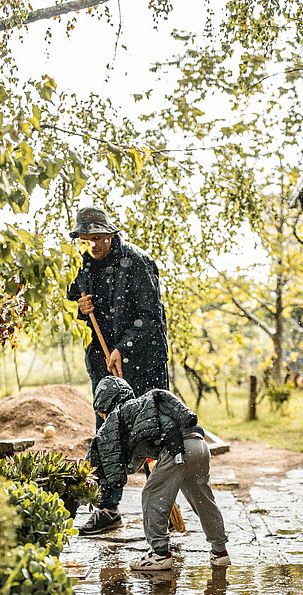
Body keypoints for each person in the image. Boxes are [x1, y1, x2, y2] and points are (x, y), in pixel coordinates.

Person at [67, 206, 171, 535]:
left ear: (111, 234)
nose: (93, 245)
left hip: (143, 361)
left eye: (98, 238)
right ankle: (109, 509)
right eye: (86, 240)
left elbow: (150, 317)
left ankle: (163, 504)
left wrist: (122, 349)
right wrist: (83, 307)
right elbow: (80, 295)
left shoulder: (137, 263)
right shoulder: (86, 262)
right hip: (105, 362)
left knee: (152, 432)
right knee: (109, 433)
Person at [87, 376, 230, 571]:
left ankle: (160, 554)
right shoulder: (143, 406)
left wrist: (112, 478)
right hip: (199, 444)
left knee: (152, 496)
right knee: (203, 500)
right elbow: (140, 451)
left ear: (105, 404)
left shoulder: (116, 416)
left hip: (176, 450)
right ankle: (220, 551)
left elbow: (108, 449)